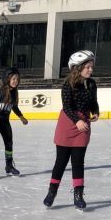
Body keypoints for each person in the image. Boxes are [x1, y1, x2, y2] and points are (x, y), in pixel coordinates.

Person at [45, 50, 99, 211]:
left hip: (83, 126)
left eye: (91, 67)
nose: (90, 70)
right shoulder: (67, 85)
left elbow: (94, 102)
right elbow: (67, 107)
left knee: (78, 163)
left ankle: (78, 195)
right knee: (60, 162)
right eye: (87, 67)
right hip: (67, 124)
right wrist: (78, 121)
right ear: (77, 67)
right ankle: (52, 192)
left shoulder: (92, 84)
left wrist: (95, 112)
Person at [0, 66, 28, 177]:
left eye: (17, 79)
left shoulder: (14, 93)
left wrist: (21, 117)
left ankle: (9, 166)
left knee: (9, 143)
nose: (15, 81)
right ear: (7, 79)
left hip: (5, 122)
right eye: (13, 79)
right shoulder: (1, 91)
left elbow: (14, 107)